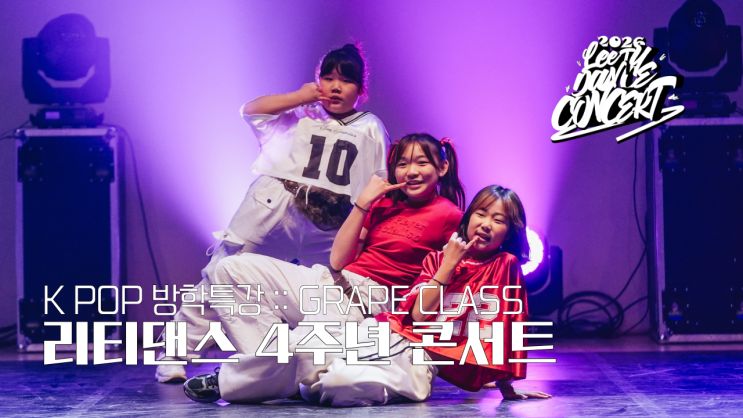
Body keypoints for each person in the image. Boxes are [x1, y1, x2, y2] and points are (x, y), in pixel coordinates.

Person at [183, 184, 551, 405]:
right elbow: (416, 316)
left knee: (334, 384)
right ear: (469, 217)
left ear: (510, 231)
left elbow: (505, 326)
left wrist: (508, 386)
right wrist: (447, 267)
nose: (486, 224)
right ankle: (228, 382)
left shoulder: (504, 264)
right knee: (306, 345)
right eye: (482, 213)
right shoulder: (438, 259)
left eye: (499, 220)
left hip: (418, 360)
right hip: (386, 333)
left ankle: (286, 382)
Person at [156, 44, 390, 383]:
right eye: (328, 78)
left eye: (346, 80)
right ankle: (174, 354)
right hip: (275, 205)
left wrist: (363, 229)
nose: (336, 87)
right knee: (220, 274)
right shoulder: (302, 113)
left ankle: (322, 362)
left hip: (331, 223)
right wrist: (299, 96)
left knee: (337, 290)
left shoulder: (370, 126)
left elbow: (377, 180)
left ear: (361, 89)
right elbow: (250, 110)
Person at [182, 133, 465, 402]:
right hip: (332, 280)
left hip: (371, 299)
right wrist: (363, 203)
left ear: (442, 168)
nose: (411, 171)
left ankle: (232, 381)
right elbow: (338, 260)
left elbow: (456, 279)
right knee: (231, 269)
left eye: (422, 163)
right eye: (403, 164)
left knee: (304, 344)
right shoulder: (383, 206)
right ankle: (273, 378)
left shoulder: (450, 215)